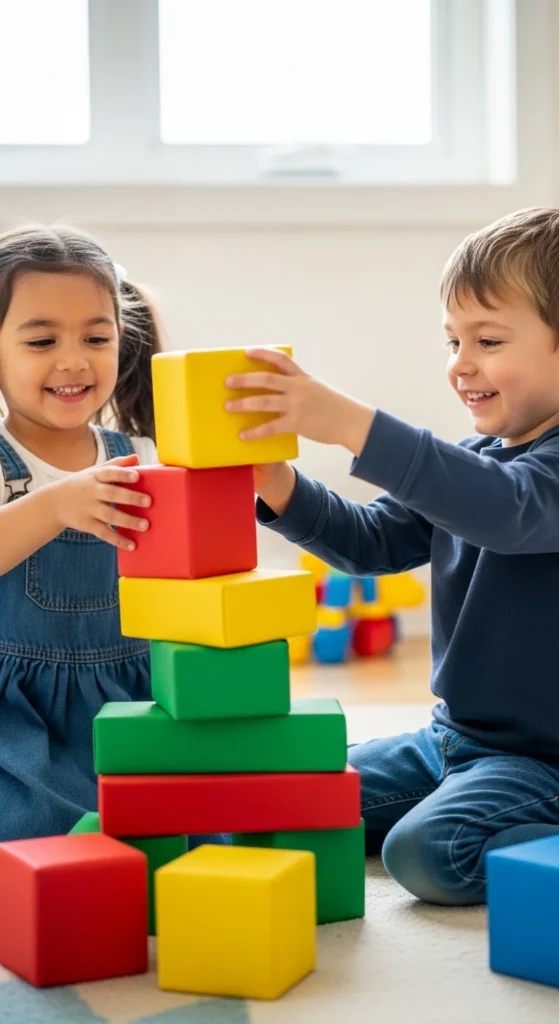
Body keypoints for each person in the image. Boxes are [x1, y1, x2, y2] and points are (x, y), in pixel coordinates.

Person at [225, 206, 559, 906]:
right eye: (451, 341)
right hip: (451, 741)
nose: (459, 366)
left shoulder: (510, 483)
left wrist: (350, 423)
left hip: (542, 764)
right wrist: (280, 489)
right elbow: (370, 540)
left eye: (488, 340)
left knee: (428, 852)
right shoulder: (474, 462)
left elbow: (507, 511)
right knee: (283, 797)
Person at [0, 223, 225, 848]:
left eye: (96, 337)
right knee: (43, 837)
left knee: (203, 827)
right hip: (22, 716)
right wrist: (54, 505)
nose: (73, 360)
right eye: (41, 340)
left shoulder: (144, 454)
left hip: (131, 695)